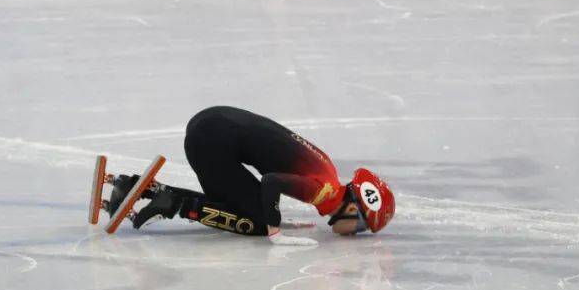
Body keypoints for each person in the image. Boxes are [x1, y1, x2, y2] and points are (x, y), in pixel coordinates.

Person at [106, 106, 395, 245]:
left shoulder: (328, 175)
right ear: (353, 208)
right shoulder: (324, 191)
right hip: (212, 139)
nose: (356, 233)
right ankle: (172, 204)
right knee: (256, 222)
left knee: (239, 202)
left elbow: (273, 175)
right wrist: (274, 230)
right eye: (361, 227)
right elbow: (271, 182)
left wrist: (276, 213)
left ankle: (132, 187)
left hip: (211, 125)